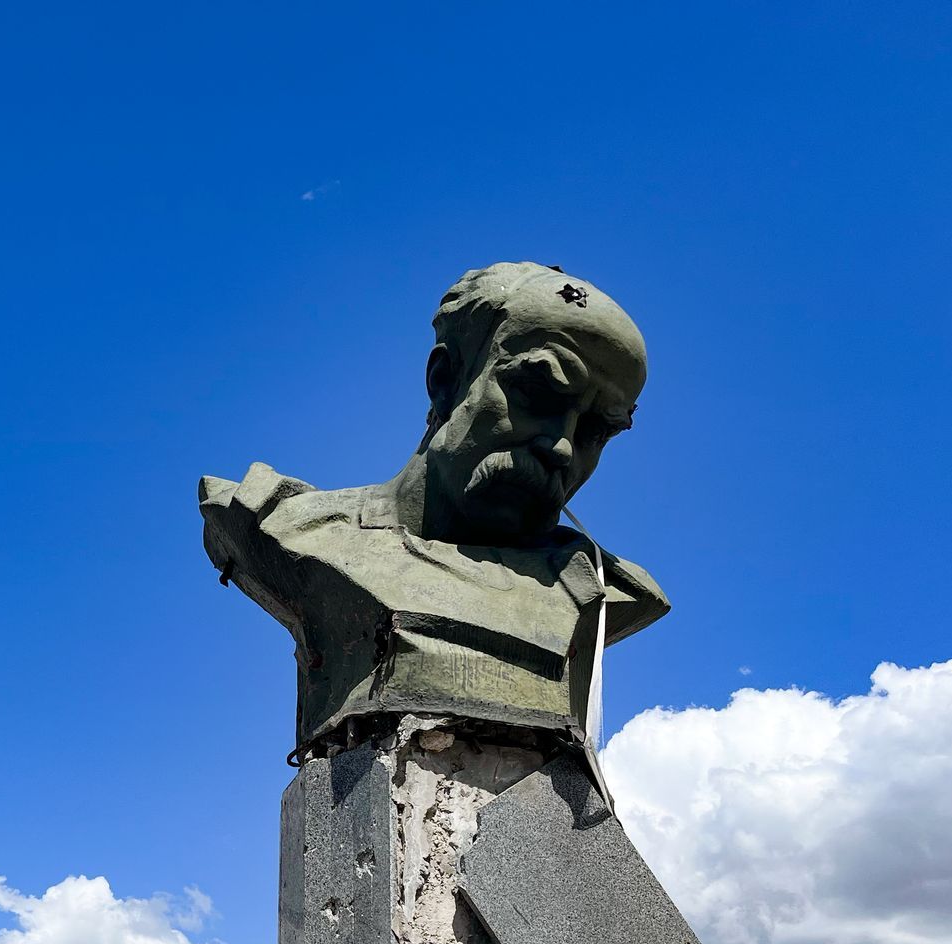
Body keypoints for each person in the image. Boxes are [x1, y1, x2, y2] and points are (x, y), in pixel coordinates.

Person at [200, 263, 668, 755]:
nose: (563, 450)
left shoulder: (599, 590)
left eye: (597, 430)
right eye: (538, 394)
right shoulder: (288, 527)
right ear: (447, 382)